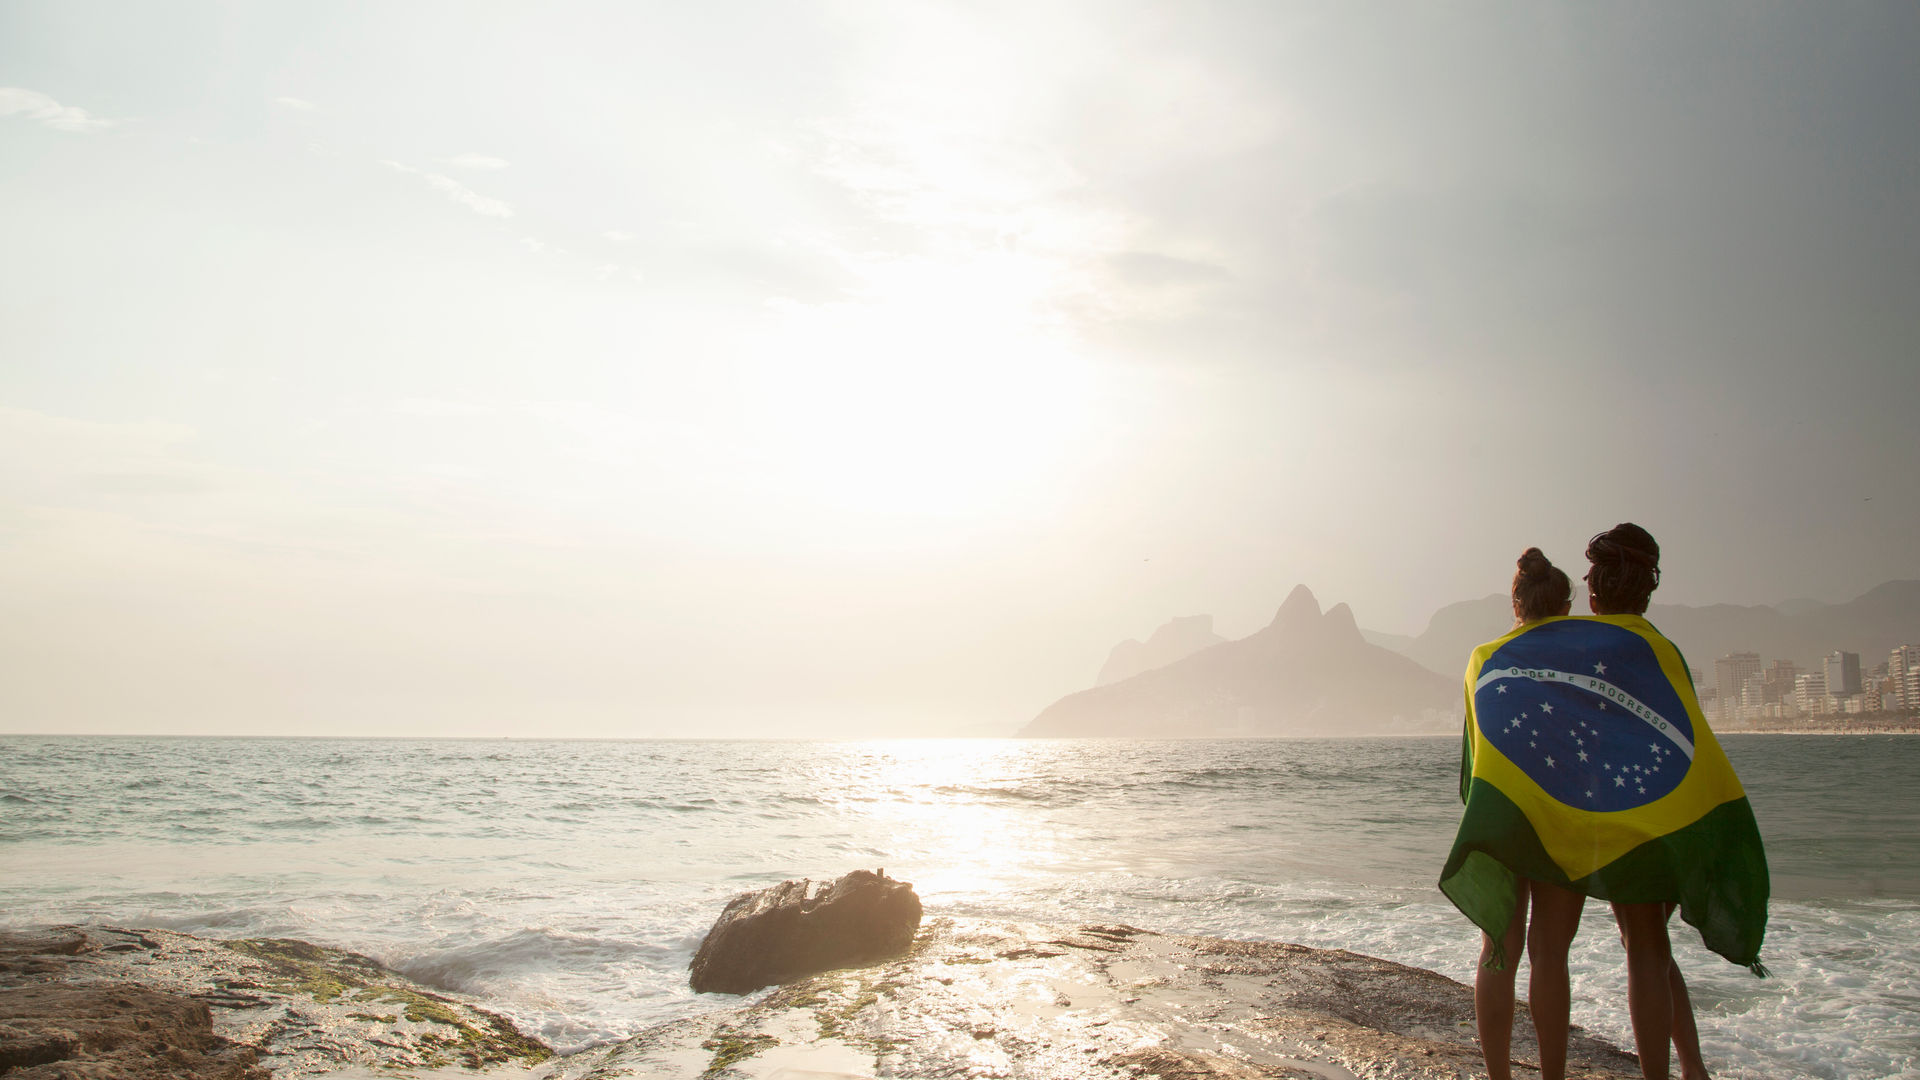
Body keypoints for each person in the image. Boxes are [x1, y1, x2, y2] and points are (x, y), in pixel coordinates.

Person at [1442, 525, 1768, 1080]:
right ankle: (1683, 1071)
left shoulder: (1514, 654)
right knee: (1643, 948)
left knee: (1509, 948)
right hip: (1631, 822)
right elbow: (1681, 745)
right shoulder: (1648, 649)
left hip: (1534, 818)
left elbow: (1497, 745)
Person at [1472, 548, 1579, 1080]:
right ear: (1566, 607)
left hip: (1502, 817)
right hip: (1564, 819)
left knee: (1498, 951)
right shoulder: (1583, 662)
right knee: (1551, 955)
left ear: (1515, 602)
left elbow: (1476, 753)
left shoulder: (1484, 658)